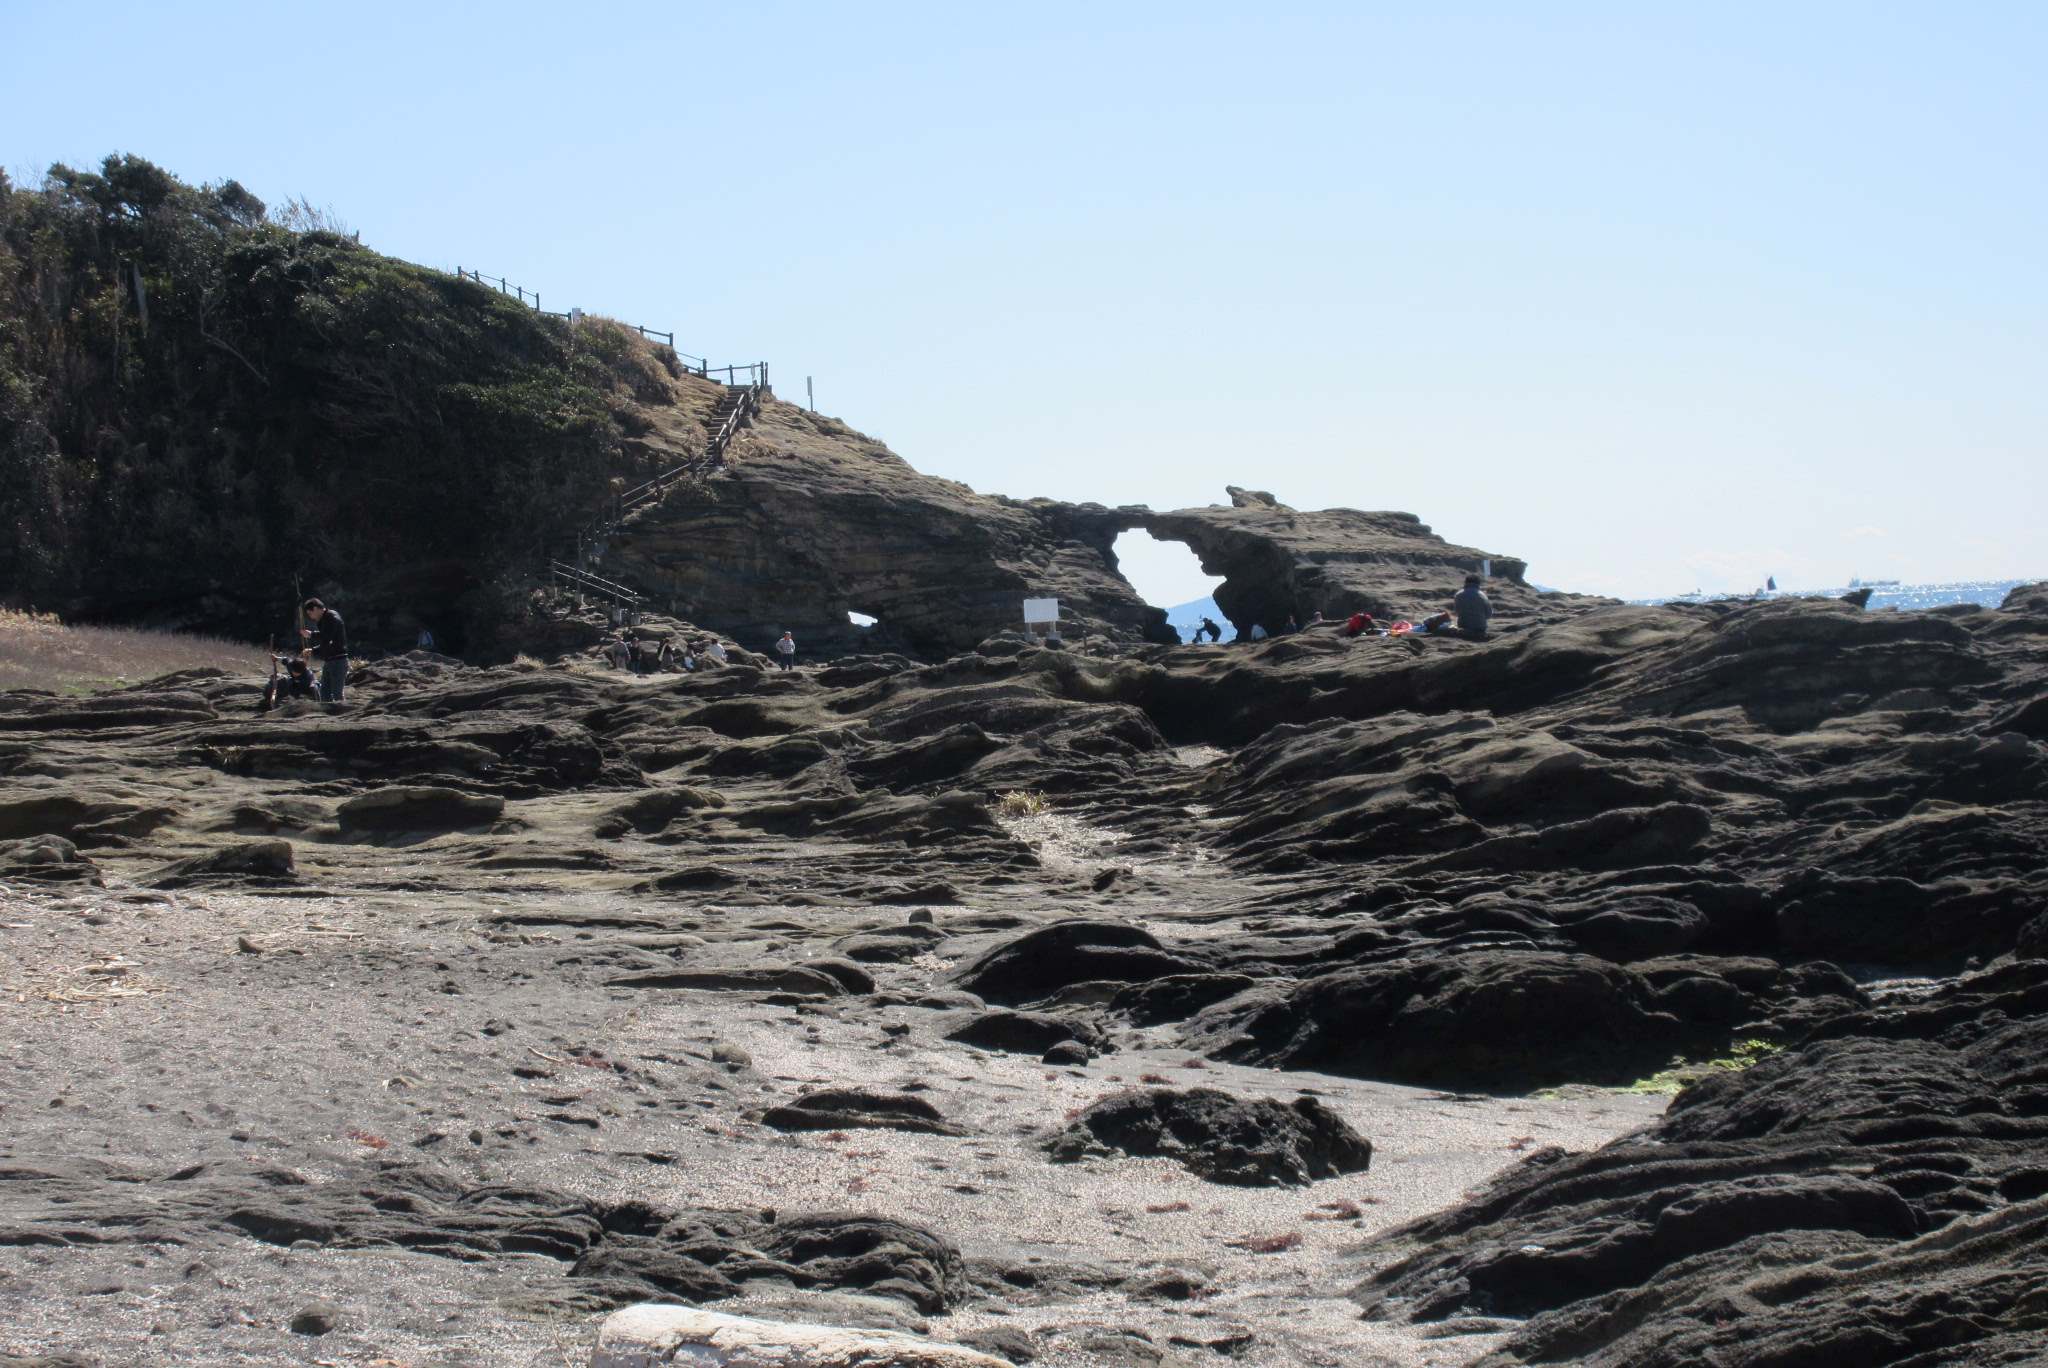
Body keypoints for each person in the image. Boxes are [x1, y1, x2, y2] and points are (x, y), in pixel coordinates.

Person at [299, 598, 348, 702]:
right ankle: (330, 714)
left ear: (316, 609)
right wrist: (312, 650)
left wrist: (311, 635)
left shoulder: (332, 617)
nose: (310, 617)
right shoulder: (324, 619)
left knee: (337, 693)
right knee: (324, 692)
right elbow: (326, 641)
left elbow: (327, 637)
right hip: (329, 660)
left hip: (338, 660)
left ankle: (342, 712)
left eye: (310, 613)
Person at [1453, 574, 1493, 640]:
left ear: (1465, 582)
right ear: (1478, 583)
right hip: (1480, 627)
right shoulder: (1482, 595)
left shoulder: (1458, 595)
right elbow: (1489, 614)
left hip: (1463, 626)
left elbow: (1456, 612)